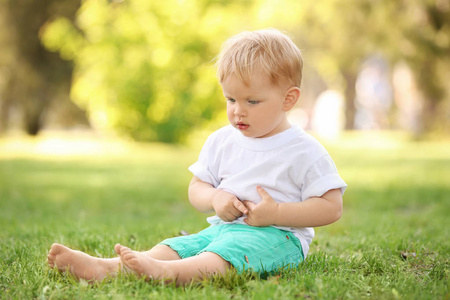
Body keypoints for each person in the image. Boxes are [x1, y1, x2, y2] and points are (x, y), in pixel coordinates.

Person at [47, 28, 347, 286]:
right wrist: (216, 199)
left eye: (252, 101)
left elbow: (331, 207)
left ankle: (165, 273)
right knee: (184, 245)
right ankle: (108, 268)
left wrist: (277, 214)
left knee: (220, 257)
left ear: (288, 99)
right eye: (230, 99)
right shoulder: (222, 140)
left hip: (278, 239)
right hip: (222, 229)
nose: (238, 110)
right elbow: (197, 188)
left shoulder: (304, 150)